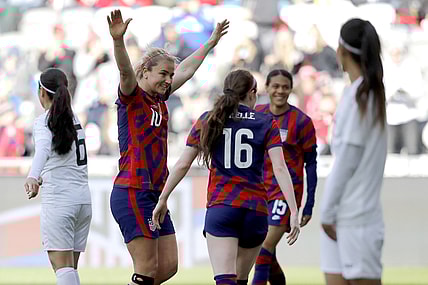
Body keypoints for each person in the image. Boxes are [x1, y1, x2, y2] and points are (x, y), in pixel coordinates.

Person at [107, 9, 229, 285]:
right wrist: (118, 41)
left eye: (170, 75)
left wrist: (209, 44)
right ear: (145, 72)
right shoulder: (132, 97)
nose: (168, 79)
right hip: (133, 190)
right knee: (147, 268)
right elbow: (125, 70)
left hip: (154, 191)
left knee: (169, 266)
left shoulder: (160, 99)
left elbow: (186, 69)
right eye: (163, 73)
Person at [152, 69, 300, 285]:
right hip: (255, 209)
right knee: (241, 280)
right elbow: (279, 167)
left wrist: (163, 197)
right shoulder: (267, 122)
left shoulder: (209, 119)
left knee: (225, 280)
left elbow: (183, 163)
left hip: (223, 206)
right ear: (252, 93)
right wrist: (294, 210)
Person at [320, 18, 387, 285]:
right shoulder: (357, 94)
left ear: (342, 50)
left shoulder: (364, 96)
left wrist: (326, 212)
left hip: (356, 220)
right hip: (342, 216)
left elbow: (347, 158)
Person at [24, 68, 91, 285]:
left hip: (60, 199)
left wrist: (33, 176)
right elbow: (62, 158)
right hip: (82, 201)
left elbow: (43, 149)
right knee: (70, 269)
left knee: (63, 270)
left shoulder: (44, 121)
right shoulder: (73, 118)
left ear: (42, 92)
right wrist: (43, 175)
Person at [252, 69, 318, 285]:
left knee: (263, 248)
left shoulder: (302, 121)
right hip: (258, 192)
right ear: (267, 88)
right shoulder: (257, 115)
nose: (280, 91)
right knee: (265, 252)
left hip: (285, 193)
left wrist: (308, 205)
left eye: (285, 87)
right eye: (276, 86)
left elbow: (311, 164)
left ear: (291, 89)